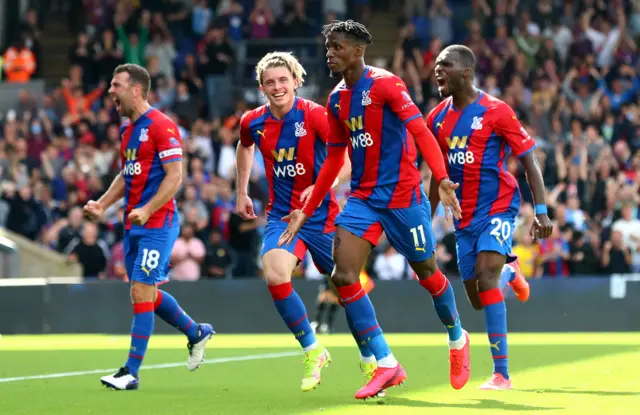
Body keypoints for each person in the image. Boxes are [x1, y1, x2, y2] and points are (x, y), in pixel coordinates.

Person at [278, 20, 470, 399]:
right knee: (343, 275)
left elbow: (421, 132)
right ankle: (385, 363)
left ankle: (456, 336)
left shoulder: (386, 84)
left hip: (403, 197)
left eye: (337, 47)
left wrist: (443, 177)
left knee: (428, 273)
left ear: (358, 50)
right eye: (328, 47)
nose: (330, 53)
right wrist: (309, 206)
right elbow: (334, 158)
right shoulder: (336, 99)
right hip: (363, 200)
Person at [235, 51, 378, 393]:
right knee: (275, 273)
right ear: (262, 87)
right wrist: (241, 191)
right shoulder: (252, 122)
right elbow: (244, 147)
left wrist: (321, 184)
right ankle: (314, 350)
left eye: (283, 80)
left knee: (348, 289)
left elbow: (344, 160)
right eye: (270, 82)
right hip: (283, 217)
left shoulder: (315, 115)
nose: (277, 87)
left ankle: (372, 359)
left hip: (323, 217)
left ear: (296, 82)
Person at [426, 45, 553, 390]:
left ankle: (501, 374)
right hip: (463, 217)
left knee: (485, 274)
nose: (438, 71)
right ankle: (510, 271)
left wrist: (541, 211)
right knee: (478, 299)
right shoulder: (436, 118)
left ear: (466, 72)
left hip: (498, 205)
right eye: (436, 66)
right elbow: (435, 174)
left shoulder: (497, 111)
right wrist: (425, 219)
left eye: (445, 66)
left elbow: (529, 160)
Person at [84, 64, 214, 390]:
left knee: (141, 290)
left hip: (158, 223)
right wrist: (102, 203)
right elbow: (126, 174)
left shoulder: (161, 125)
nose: (111, 92)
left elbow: (175, 177)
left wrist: (147, 207)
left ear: (136, 89)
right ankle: (196, 332)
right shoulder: (128, 129)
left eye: (116, 85)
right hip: (135, 225)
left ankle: (131, 372)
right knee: (147, 294)